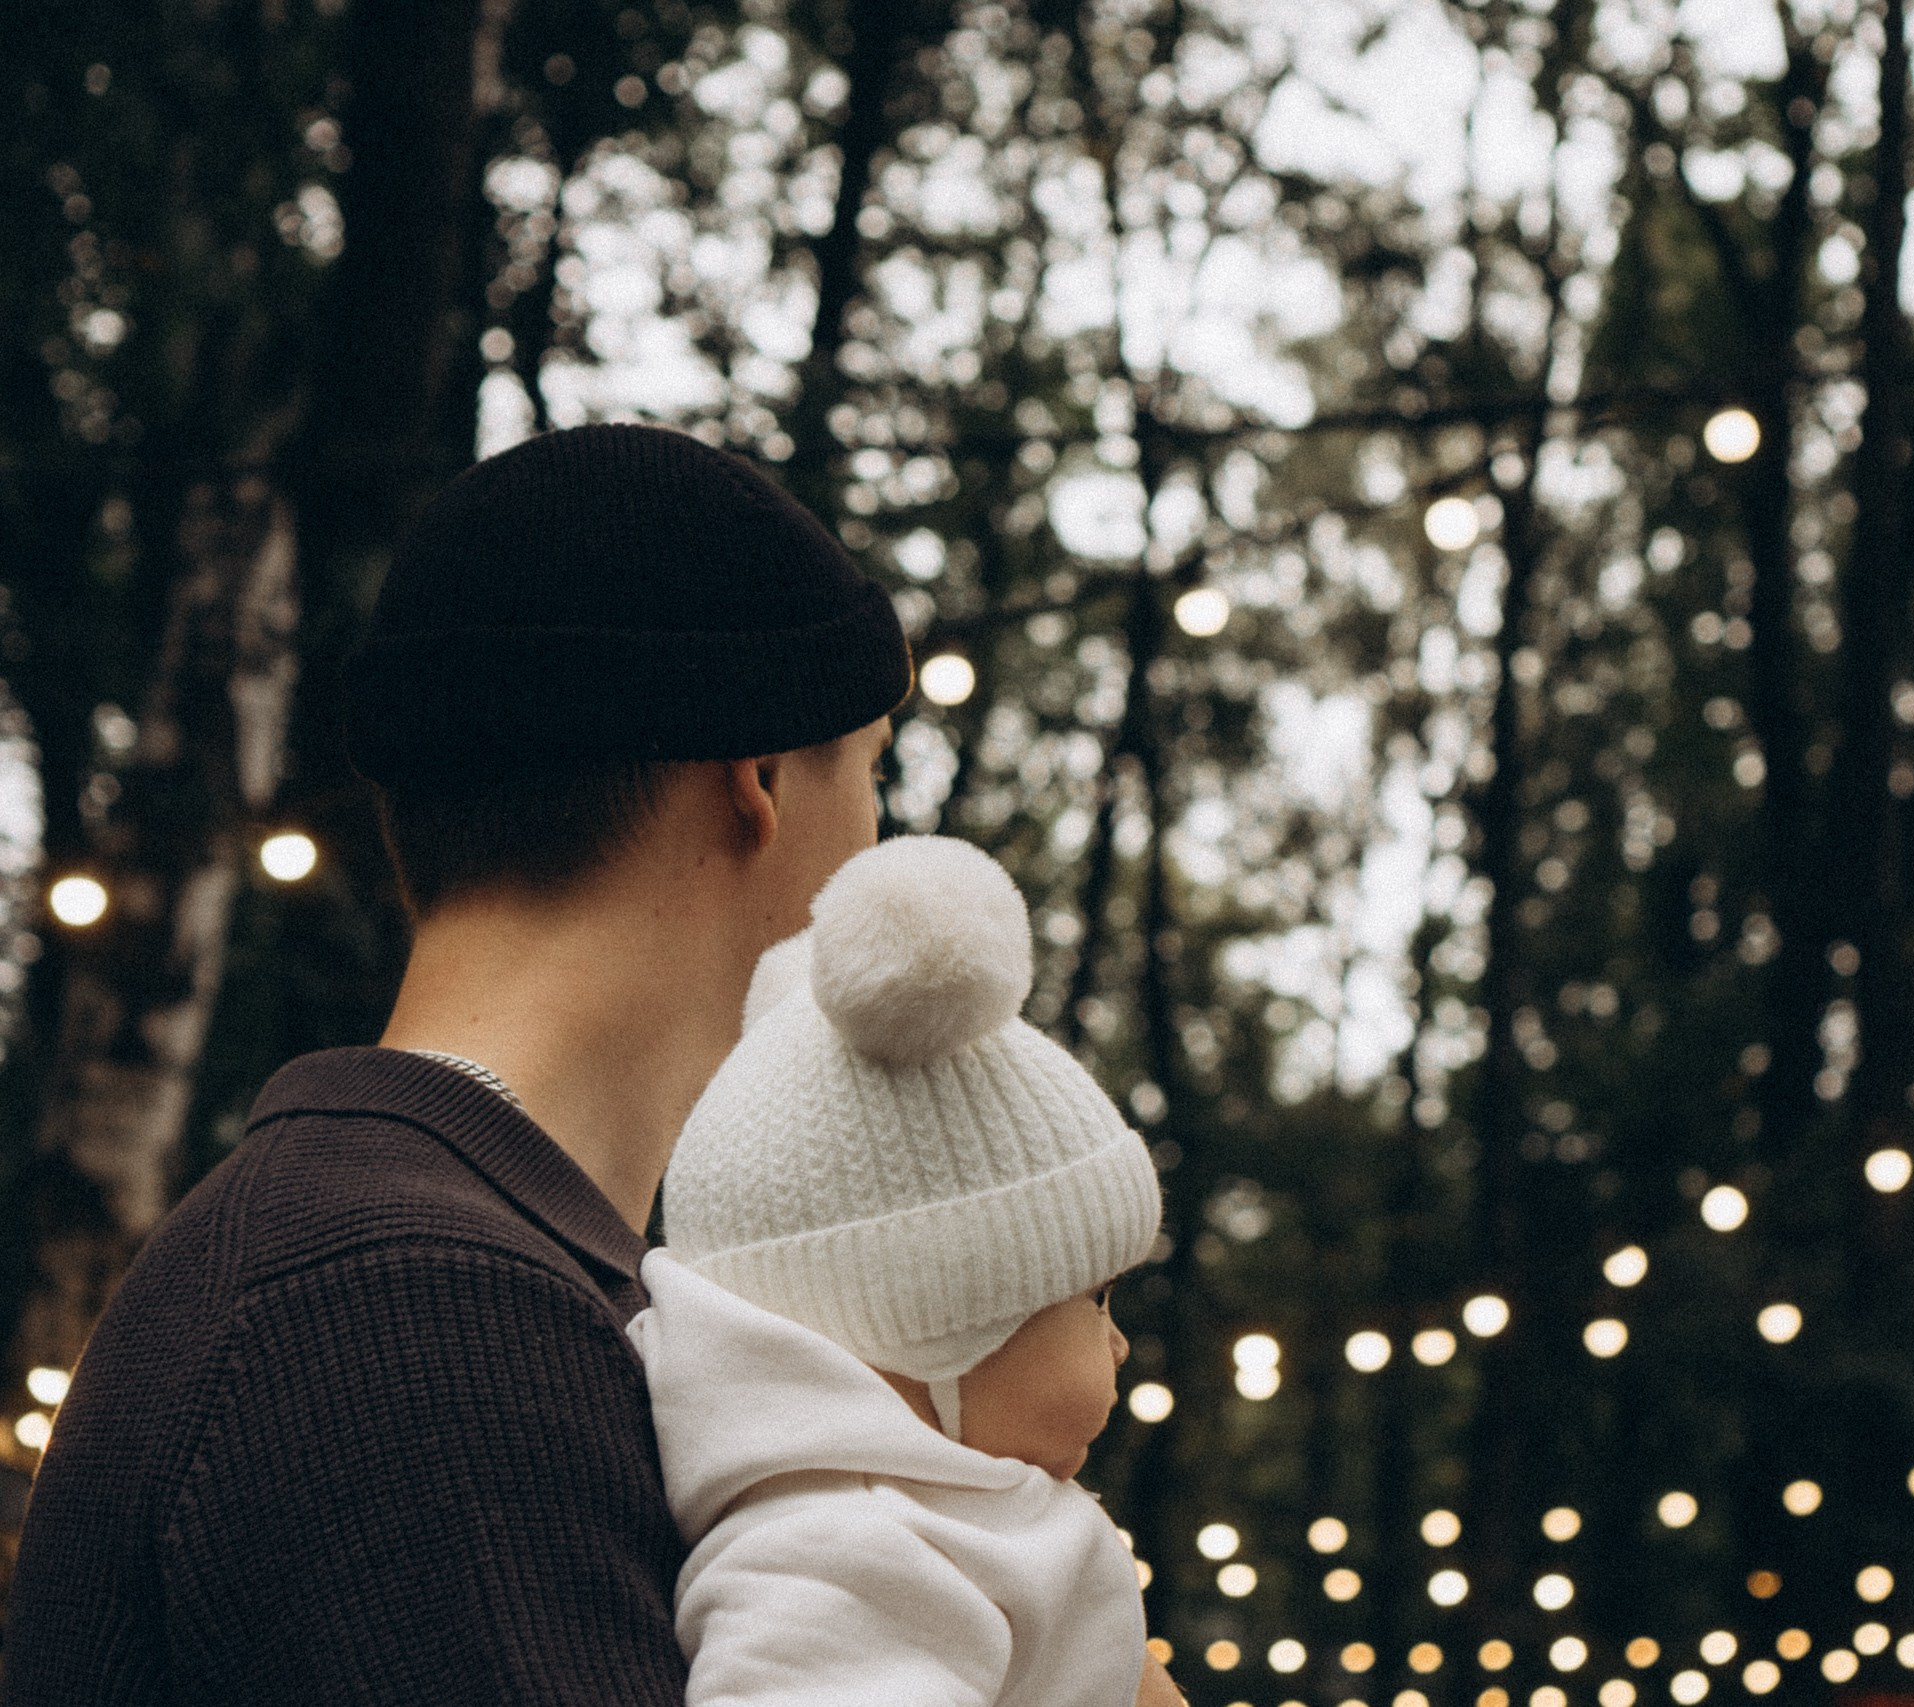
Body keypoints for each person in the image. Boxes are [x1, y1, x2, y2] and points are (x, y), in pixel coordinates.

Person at [2, 423, 911, 1704]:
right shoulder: (415, 1310)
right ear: (755, 779)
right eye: (873, 772)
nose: (885, 846)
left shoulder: (405, 1261)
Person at [630, 833, 1183, 1706]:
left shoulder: (953, 1520)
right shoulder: (843, 1553)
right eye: (1095, 1295)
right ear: (938, 1317)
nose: (1118, 1343)